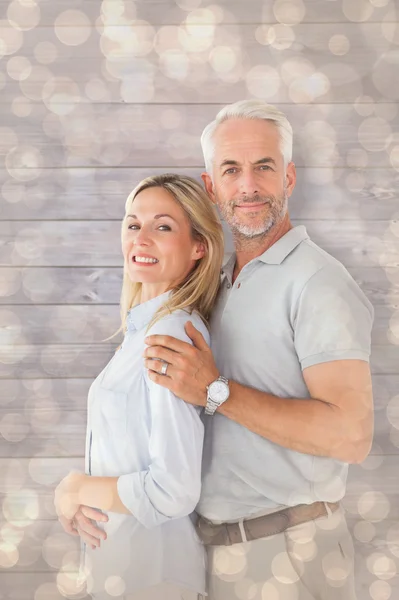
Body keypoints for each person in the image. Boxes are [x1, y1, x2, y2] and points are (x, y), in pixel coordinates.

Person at [141, 101, 374, 600]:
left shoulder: (318, 283)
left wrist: (215, 390)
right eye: (232, 170)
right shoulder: (218, 281)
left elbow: (351, 436)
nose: (248, 186)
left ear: (288, 178)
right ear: (211, 187)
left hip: (290, 557)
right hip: (215, 554)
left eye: (264, 167)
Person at [54, 174, 225, 600]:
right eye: (133, 225)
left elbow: (174, 488)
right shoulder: (144, 330)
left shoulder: (169, 336)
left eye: (163, 227)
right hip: (130, 575)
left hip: (154, 578)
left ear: (198, 247)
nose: (141, 238)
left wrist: (77, 488)